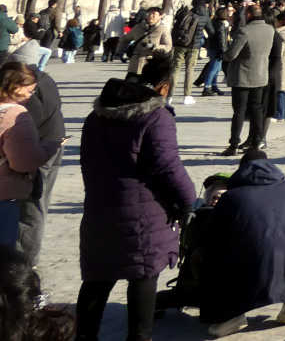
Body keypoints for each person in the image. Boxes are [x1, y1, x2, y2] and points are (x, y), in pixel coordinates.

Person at [77, 52, 195, 341]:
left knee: (97, 277)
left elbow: (86, 159)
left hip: (100, 205)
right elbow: (168, 167)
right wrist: (189, 200)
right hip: (143, 211)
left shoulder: (97, 115)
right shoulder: (156, 117)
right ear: (164, 87)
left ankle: (84, 336)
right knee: (143, 274)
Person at [197, 157, 285, 336]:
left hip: (256, 265)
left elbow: (214, 237)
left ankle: (231, 316)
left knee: (215, 258)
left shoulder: (232, 197)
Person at [0, 63, 63, 256]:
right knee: (5, 254)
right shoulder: (16, 116)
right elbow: (23, 163)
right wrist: (49, 147)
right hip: (5, 191)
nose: (31, 95)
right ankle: (24, 264)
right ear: (15, 86)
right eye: (29, 90)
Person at [221, 4, 274, 157]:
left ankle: (234, 144)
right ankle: (256, 142)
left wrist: (225, 53)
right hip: (261, 74)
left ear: (249, 15)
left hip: (243, 76)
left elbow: (231, 54)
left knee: (239, 111)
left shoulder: (244, 31)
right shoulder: (269, 30)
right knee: (257, 110)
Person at [120, 6, 171, 80]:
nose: (150, 16)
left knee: (146, 89)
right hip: (135, 65)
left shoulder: (163, 29)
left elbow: (168, 46)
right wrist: (120, 50)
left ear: (160, 16)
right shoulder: (138, 27)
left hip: (151, 65)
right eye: (149, 14)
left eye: (154, 14)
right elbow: (125, 39)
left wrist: (155, 46)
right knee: (128, 88)